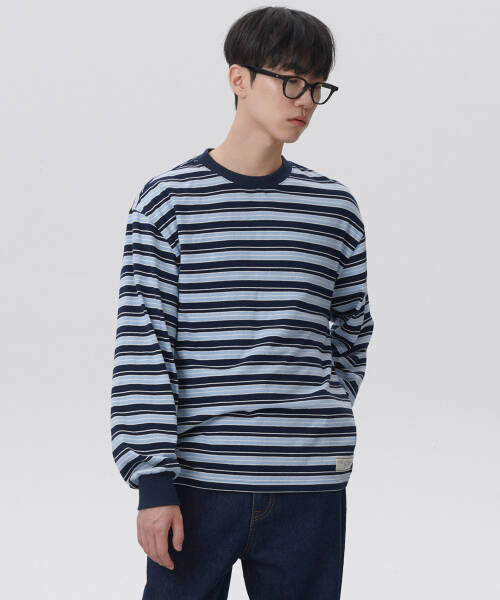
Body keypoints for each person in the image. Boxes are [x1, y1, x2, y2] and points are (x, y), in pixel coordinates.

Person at [110, 6, 374, 599]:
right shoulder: (168, 201)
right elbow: (144, 344)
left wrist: (318, 408)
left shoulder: (334, 207)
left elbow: (353, 327)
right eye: (291, 81)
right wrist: (153, 481)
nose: (305, 100)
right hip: (198, 484)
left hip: (310, 482)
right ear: (239, 79)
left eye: (317, 86)